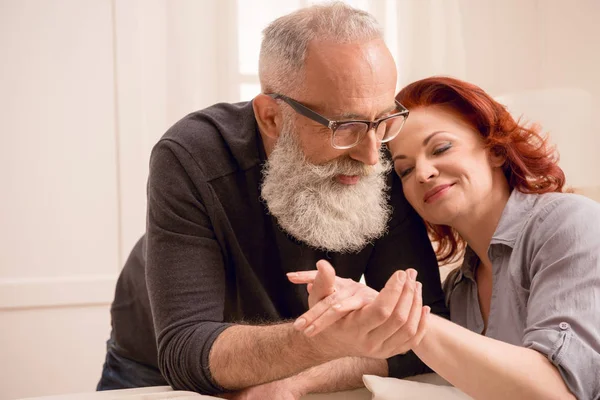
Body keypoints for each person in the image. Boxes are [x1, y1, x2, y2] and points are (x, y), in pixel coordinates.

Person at [96, 3, 449, 398]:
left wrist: (301, 377)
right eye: (344, 127)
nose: (371, 157)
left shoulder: (382, 151)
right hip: (151, 369)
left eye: (383, 119)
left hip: (298, 369)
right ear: (271, 118)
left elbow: (425, 331)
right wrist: (323, 341)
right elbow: (186, 349)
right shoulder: (191, 154)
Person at [291, 76, 600, 399]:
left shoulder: (572, 224)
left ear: (494, 148)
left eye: (441, 148)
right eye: (405, 171)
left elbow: (560, 392)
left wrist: (407, 320)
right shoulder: (458, 289)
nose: (423, 174)